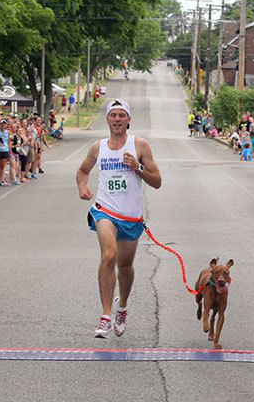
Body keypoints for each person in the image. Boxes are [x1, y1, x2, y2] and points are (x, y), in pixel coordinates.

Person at [76, 99, 161, 339]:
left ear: (128, 120)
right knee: (109, 256)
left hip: (131, 217)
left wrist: (138, 167)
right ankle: (105, 315)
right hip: (104, 210)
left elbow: (157, 181)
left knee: (125, 266)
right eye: (113, 115)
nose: (117, 119)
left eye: (121, 115)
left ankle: (121, 307)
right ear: (107, 119)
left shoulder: (140, 145)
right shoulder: (98, 147)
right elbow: (83, 171)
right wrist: (83, 186)